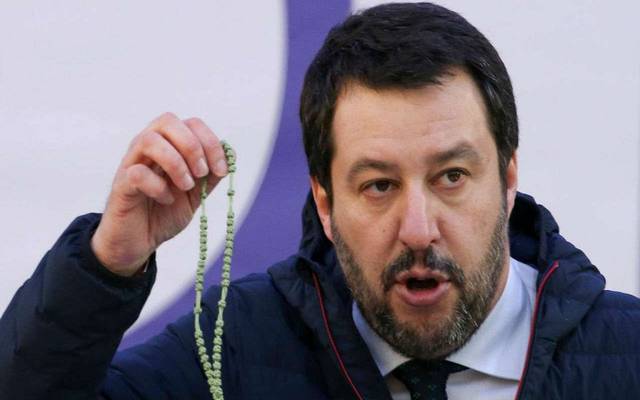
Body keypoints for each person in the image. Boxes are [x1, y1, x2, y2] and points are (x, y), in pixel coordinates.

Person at [1, 2, 639, 399]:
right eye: (379, 185)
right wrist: (105, 266)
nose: (418, 229)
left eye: (451, 177)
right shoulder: (235, 349)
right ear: (325, 204)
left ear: (508, 179)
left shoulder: (627, 354)